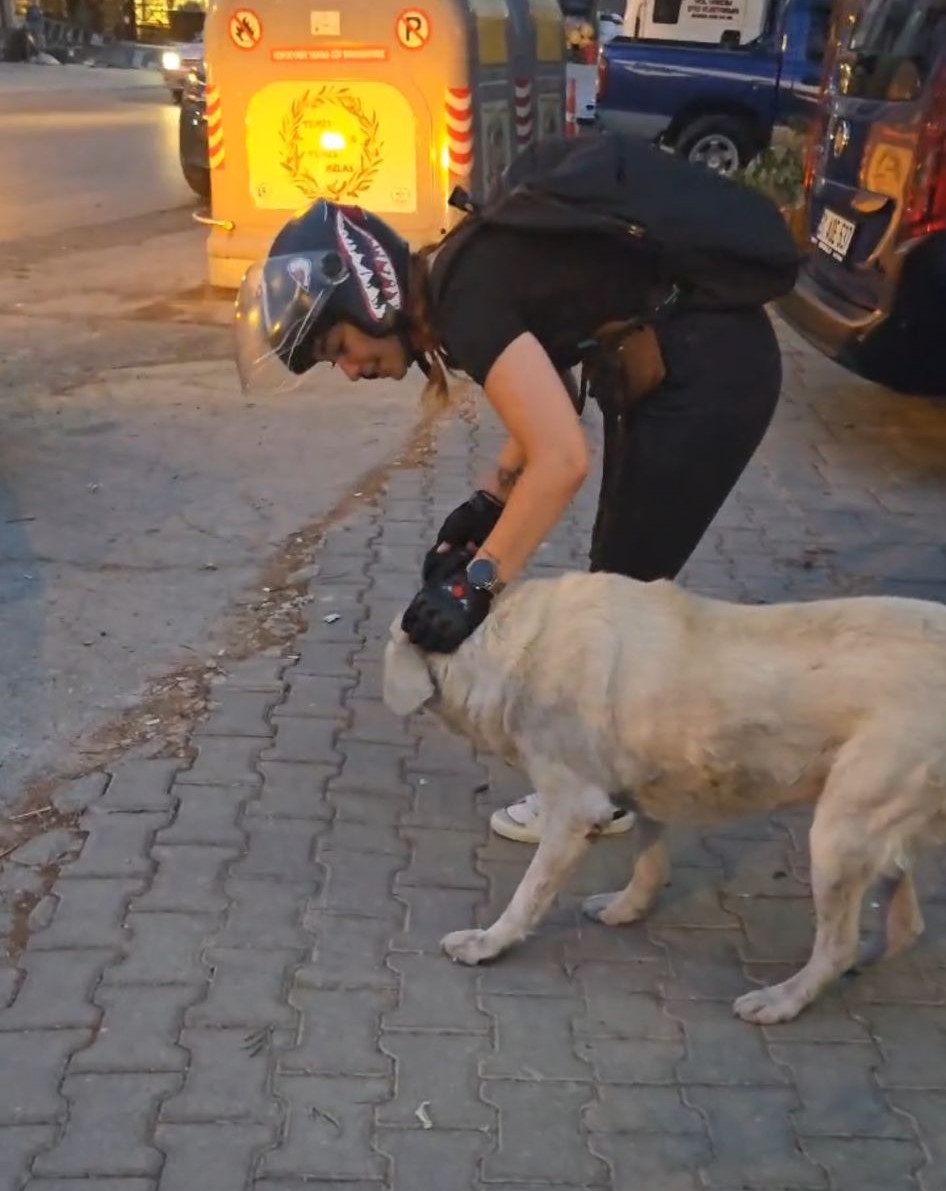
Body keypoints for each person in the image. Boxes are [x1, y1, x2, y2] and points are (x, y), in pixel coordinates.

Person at [234, 155, 785, 845]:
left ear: (370, 297)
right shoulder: (460, 280)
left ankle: (611, 787)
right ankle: (634, 770)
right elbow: (545, 384)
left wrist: (477, 582)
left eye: (338, 346)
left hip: (711, 374)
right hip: (680, 366)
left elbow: (562, 460)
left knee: (621, 594)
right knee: (622, 584)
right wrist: (492, 499)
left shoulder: (465, 300)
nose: (348, 371)